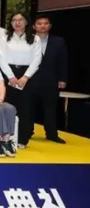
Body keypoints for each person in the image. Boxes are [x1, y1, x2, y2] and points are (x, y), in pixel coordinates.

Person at [0, 12, 42, 148]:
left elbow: (37, 59)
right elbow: (1, 59)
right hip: (9, 74)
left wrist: (25, 77)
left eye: (20, 20)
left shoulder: (35, 39)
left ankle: (22, 139)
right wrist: (11, 76)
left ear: (26, 22)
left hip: (28, 75)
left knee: (26, 107)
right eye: (14, 20)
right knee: (8, 107)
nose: (17, 23)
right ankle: (6, 137)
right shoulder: (5, 39)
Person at [31, 14, 68, 144]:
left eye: (45, 23)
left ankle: (52, 134)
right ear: (34, 26)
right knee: (29, 108)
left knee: (50, 109)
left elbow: (63, 61)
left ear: (50, 26)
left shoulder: (58, 41)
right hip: (31, 80)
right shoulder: (28, 40)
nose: (43, 26)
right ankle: (27, 132)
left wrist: (62, 79)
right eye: (39, 23)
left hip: (51, 80)